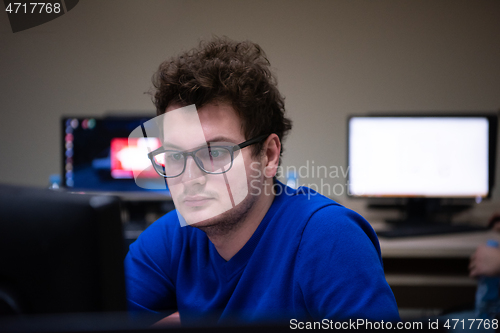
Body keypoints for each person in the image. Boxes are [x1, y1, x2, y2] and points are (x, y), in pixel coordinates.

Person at [124, 37, 400, 326]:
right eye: (175, 155)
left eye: (215, 153)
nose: (190, 176)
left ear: (268, 155)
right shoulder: (169, 239)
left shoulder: (329, 237)